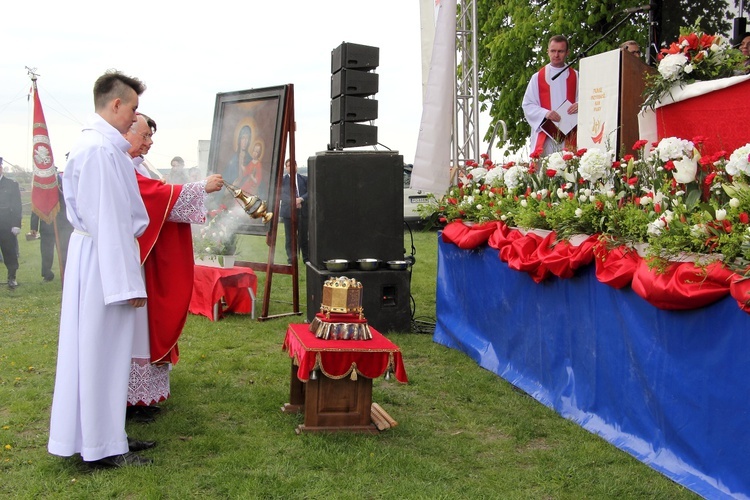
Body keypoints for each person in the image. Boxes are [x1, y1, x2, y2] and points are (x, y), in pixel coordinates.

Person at [48, 70, 155, 468]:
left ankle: (111, 435)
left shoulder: (105, 148)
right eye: (133, 108)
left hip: (99, 259)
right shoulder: (97, 150)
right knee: (100, 354)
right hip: (102, 264)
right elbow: (109, 220)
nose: (135, 118)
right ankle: (101, 448)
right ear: (115, 104)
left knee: (106, 354)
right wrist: (125, 284)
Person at [123, 113, 224, 423]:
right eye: (144, 136)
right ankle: (129, 398)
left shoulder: (138, 165)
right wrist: (200, 188)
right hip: (133, 260)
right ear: (126, 132)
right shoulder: (120, 164)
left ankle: (138, 396)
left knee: (143, 326)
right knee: (136, 328)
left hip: (143, 257)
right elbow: (150, 197)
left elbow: (155, 196)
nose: (149, 143)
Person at [522, 35, 579, 157]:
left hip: (570, 135)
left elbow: (586, 99)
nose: (556, 55)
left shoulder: (576, 76)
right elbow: (527, 104)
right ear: (547, 52)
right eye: (553, 51)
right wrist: (545, 113)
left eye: (560, 51)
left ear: (567, 52)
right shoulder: (538, 78)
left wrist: (580, 105)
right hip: (546, 136)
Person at [29, 170, 74, 283]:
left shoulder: (63, 182)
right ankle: (47, 274)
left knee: (64, 250)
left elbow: (68, 201)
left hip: (63, 224)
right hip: (46, 223)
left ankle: (66, 272)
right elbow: (36, 206)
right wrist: (33, 226)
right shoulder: (40, 186)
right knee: (46, 251)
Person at [279, 159, 309, 264]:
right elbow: (281, 194)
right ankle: (291, 260)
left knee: (304, 236)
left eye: (293, 165)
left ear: (296, 166)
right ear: (286, 168)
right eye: (288, 165)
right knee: (290, 238)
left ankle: (306, 259)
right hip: (288, 213)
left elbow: (311, 191)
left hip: (302, 211)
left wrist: (301, 199)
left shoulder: (304, 179)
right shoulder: (282, 180)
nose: (291, 167)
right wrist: (293, 201)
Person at [0, 157, 22, 289]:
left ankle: (12, 277)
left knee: (10, 253)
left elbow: (17, 206)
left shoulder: (11, 184)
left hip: (6, 225)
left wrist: (16, 224)